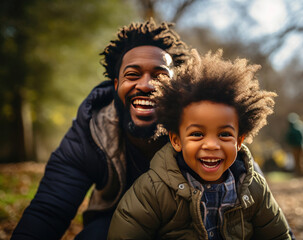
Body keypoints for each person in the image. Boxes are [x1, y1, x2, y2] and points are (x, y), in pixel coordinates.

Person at [11, 19, 190, 240]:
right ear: (115, 85)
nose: (146, 85)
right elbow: (49, 212)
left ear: (178, 88)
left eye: (160, 76)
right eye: (133, 75)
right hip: (110, 225)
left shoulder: (201, 127)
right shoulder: (92, 130)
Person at [108, 50, 291, 239]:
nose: (211, 145)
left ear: (239, 141)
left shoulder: (252, 188)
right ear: (176, 140)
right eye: (197, 134)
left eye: (224, 134)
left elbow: (279, 235)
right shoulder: (153, 190)